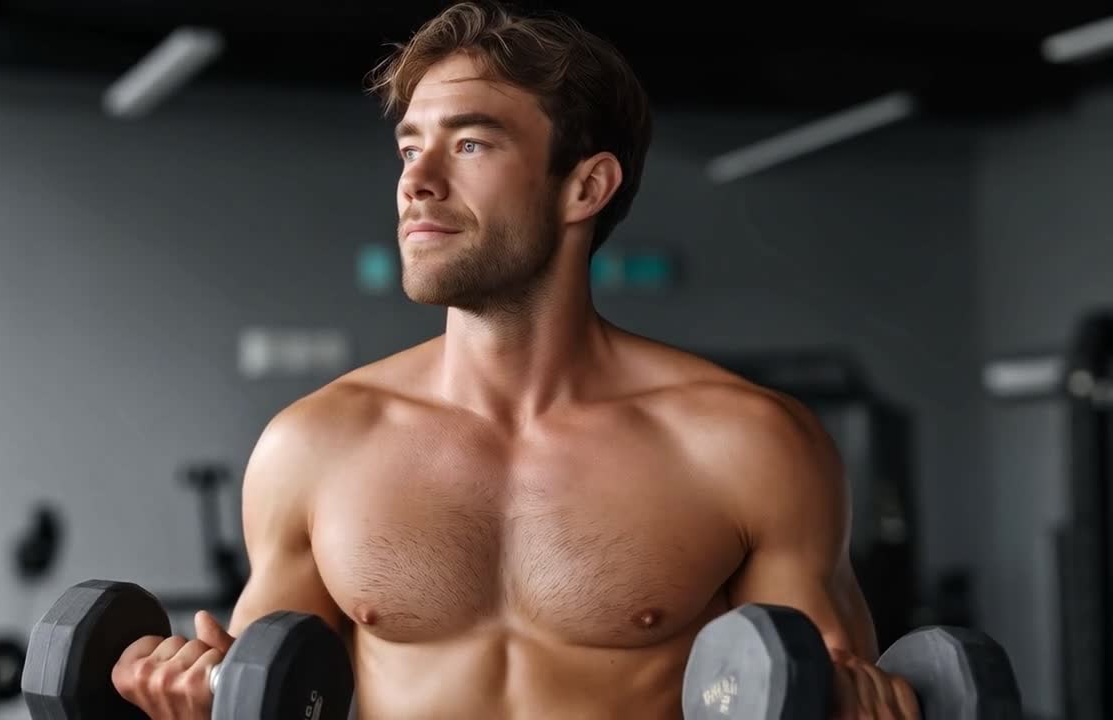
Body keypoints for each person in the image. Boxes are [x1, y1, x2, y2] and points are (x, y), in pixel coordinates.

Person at [112, 2, 921, 718]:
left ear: (586, 188)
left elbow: (811, 691)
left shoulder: (746, 445)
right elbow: (268, 696)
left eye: (469, 144)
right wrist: (189, 695)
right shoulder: (313, 445)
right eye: (409, 148)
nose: (417, 182)